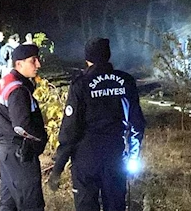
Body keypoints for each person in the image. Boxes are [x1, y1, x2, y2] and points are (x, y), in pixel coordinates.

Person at [48, 38, 146, 211]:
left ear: (87, 59)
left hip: (86, 158)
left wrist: (58, 167)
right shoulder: (126, 81)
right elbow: (137, 124)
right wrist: (133, 155)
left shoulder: (81, 84)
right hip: (115, 156)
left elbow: (70, 129)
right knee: (115, 205)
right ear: (108, 56)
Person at [0, 44, 48, 211]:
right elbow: (22, 126)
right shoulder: (18, 90)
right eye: (33, 61)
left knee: (9, 205)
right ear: (19, 64)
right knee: (32, 205)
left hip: (6, 152)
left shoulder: (4, 83)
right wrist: (41, 139)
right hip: (20, 154)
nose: (38, 65)